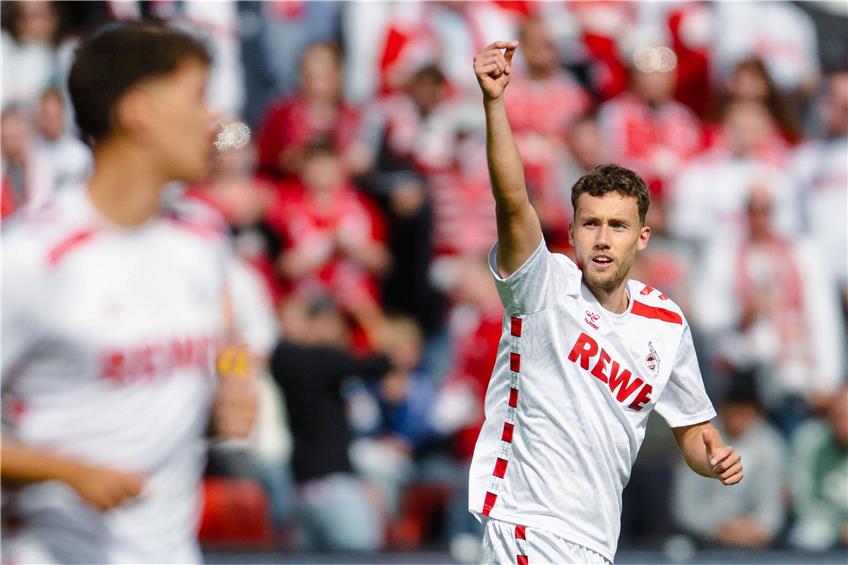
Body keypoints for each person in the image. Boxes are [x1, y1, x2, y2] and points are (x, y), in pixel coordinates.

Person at [469, 41, 744, 564]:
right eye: (590, 224)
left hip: (594, 539)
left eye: (617, 226)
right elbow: (511, 201)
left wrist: (714, 459)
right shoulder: (543, 285)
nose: (602, 238)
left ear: (642, 238)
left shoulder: (664, 321)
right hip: (527, 526)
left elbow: (692, 430)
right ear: (570, 233)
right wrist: (495, 105)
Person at [1, 22, 257, 564]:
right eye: (197, 98)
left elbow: (228, 343)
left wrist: (232, 385)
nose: (214, 121)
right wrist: (67, 472)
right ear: (137, 112)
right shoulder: (29, 259)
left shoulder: (203, 236)